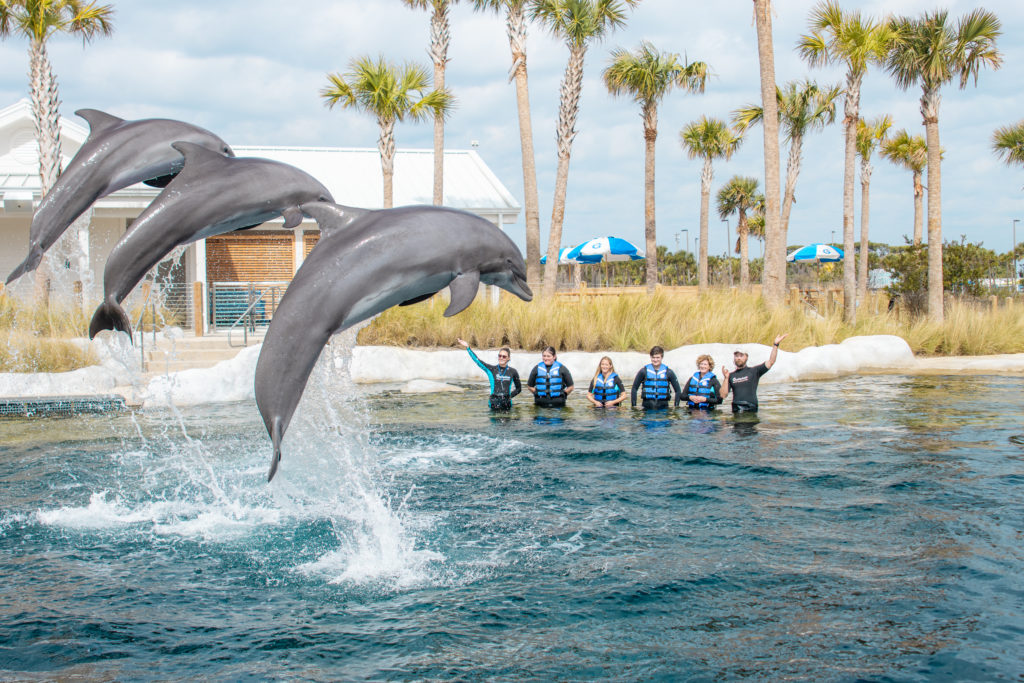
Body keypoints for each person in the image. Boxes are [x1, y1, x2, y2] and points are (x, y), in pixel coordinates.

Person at [721, 333, 788, 413]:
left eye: (741, 355)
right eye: (736, 356)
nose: (738, 358)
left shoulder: (754, 371)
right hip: (737, 408)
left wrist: (775, 345)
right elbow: (723, 395)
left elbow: (771, 362)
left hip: (751, 408)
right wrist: (726, 378)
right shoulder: (730, 375)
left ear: (746, 357)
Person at [458, 338, 521, 410]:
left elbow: (518, 389)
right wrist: (468, 347)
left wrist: (509, 396)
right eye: (499, 356)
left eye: (504, 356)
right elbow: (478, 361)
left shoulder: (513, 372)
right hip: (494, 403)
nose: (501, 358)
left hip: (507, 404)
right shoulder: (491, 369)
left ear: (508, 358)